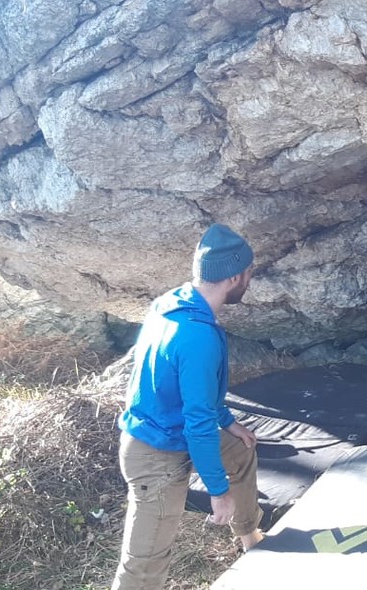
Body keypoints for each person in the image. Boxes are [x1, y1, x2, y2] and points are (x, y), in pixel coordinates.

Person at [113, 224, 264, 590]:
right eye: (248, 272)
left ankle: (251, 539)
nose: (249, 280)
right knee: (145, 566)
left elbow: (189, 389)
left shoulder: (174, 302)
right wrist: (218, 492)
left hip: (172, 430)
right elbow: (198, 423)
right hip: (155, 454)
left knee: (240, 450)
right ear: (234, 277)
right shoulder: (198, 337)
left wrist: (227, 421)